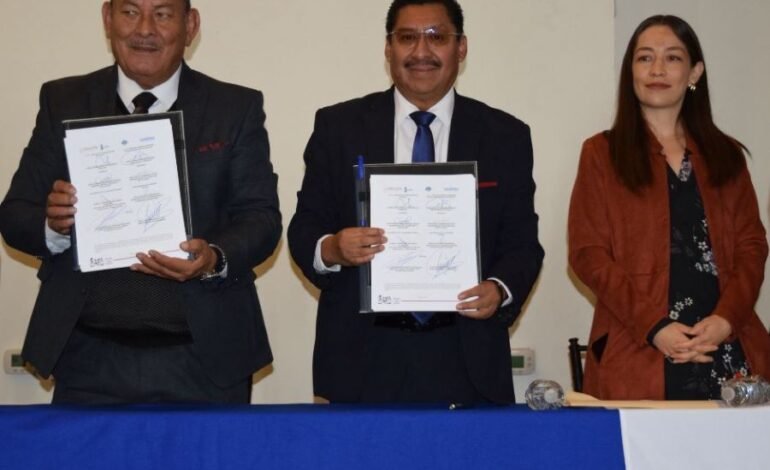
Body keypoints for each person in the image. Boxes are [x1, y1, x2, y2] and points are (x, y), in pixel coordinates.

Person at [0, 0, 281, 404]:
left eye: (162, 14)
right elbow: (14, 214)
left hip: (204, 358)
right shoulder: (63, 100)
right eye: (130, 12)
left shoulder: (235, 108)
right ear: (107, 19)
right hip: (88, 357)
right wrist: (52, 224)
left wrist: (213, 258)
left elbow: (261, 219)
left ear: (190, 25)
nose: (144, 29)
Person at [288, 0, 543, 404]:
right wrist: (333, 247)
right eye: (407, 38)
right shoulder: (338, 127)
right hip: (361, 359)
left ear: (461, 47)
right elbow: (304, 230)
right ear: (388, 48)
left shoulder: (504, 136)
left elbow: (523, 245)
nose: (421, 52)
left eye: (436, 37)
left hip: (467, 356)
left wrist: (499, 289)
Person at [568, 15, 770, 400]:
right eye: (645, 58)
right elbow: (588, 255)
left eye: (673, 58)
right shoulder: (601, 154)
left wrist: (726, 320)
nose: (657, 69)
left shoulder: (727, 155)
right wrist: (655, 327)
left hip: (726, 347)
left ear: (694, 72)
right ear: (630, 71)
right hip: (639, 348)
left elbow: (752, 247)